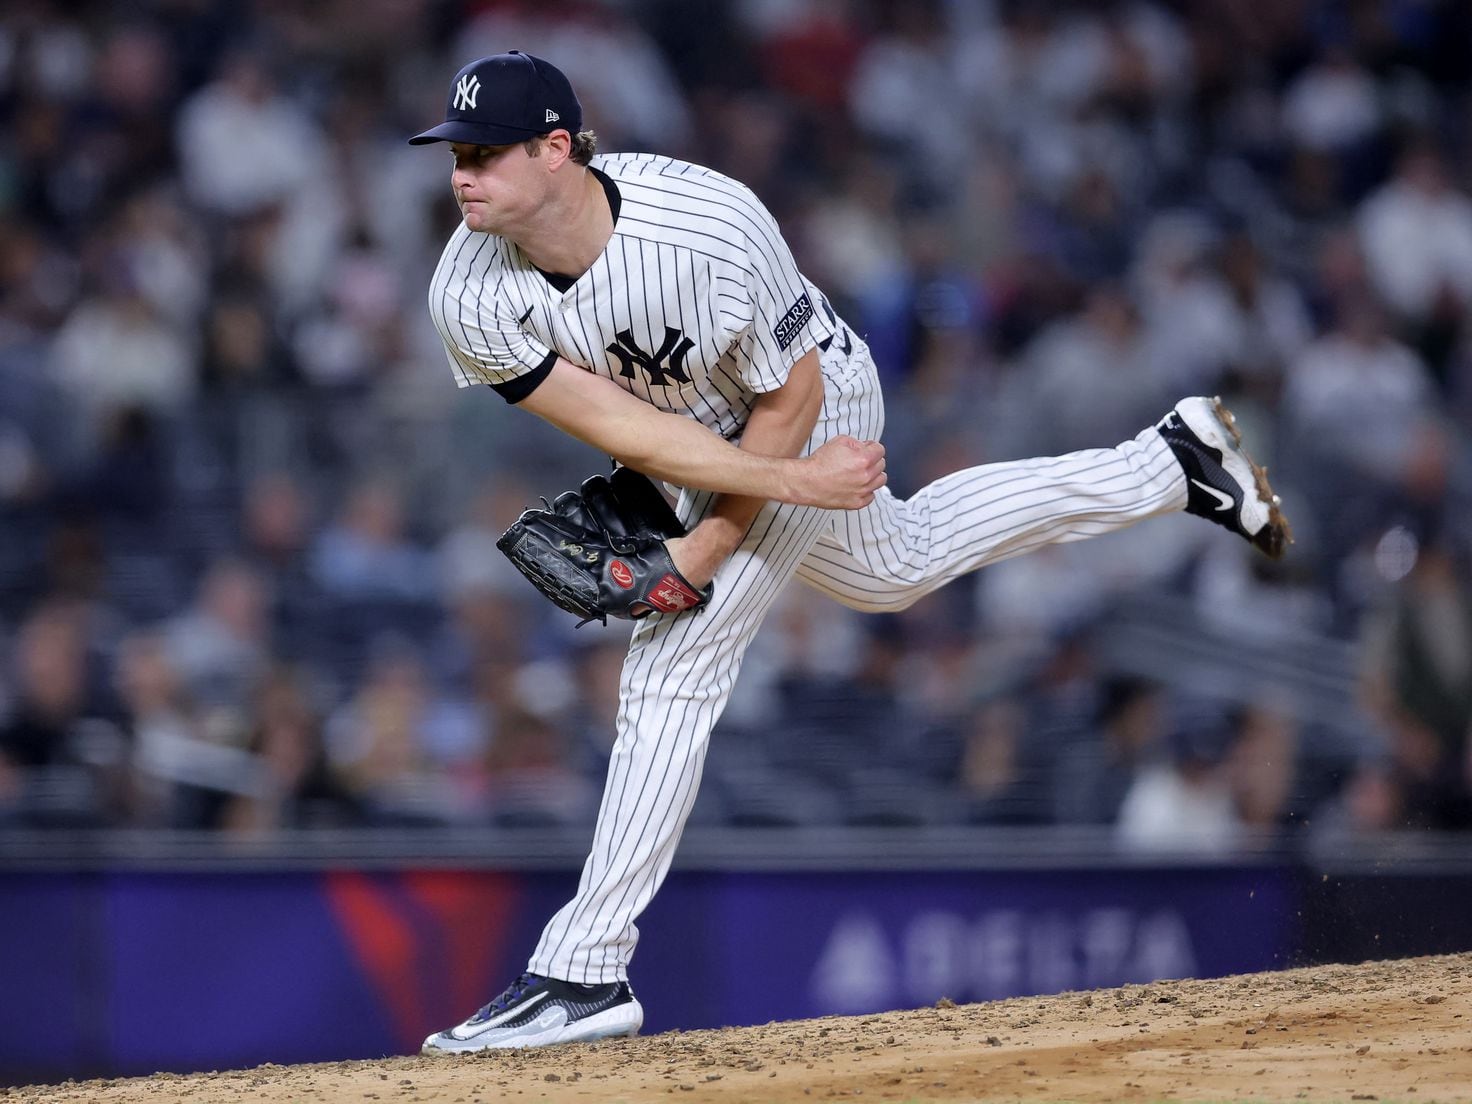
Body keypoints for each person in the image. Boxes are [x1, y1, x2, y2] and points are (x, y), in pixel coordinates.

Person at [410, 51, 1290, 1053]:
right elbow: (632, 430)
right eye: (454, 152)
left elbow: (790, 403)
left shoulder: (707, 224)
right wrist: (711, 509)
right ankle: (1170, 464)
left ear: (557, 149)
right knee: (895, 564)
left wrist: (707, 544)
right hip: (711, 445)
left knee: (673, 663)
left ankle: (584, 968)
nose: (460, 173)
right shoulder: (467, 290)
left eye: (482, 151)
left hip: (811, 399)